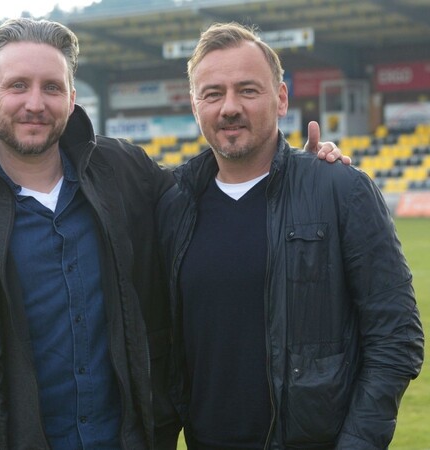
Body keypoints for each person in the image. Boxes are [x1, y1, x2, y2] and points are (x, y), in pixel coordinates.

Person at [0, 18, 345, 450]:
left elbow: (218, 190)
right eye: (18, 85)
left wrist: (295, 172)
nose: (36, 102)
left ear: (72, 98)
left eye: (52, 87)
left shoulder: (125, 172)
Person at [155, 22, 424, 449]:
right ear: (195, 105)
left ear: (281, 99)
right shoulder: (172, 204)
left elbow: (397, 337)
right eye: (213, 93)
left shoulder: (341, 190)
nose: (229, 107)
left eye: (247, 90)